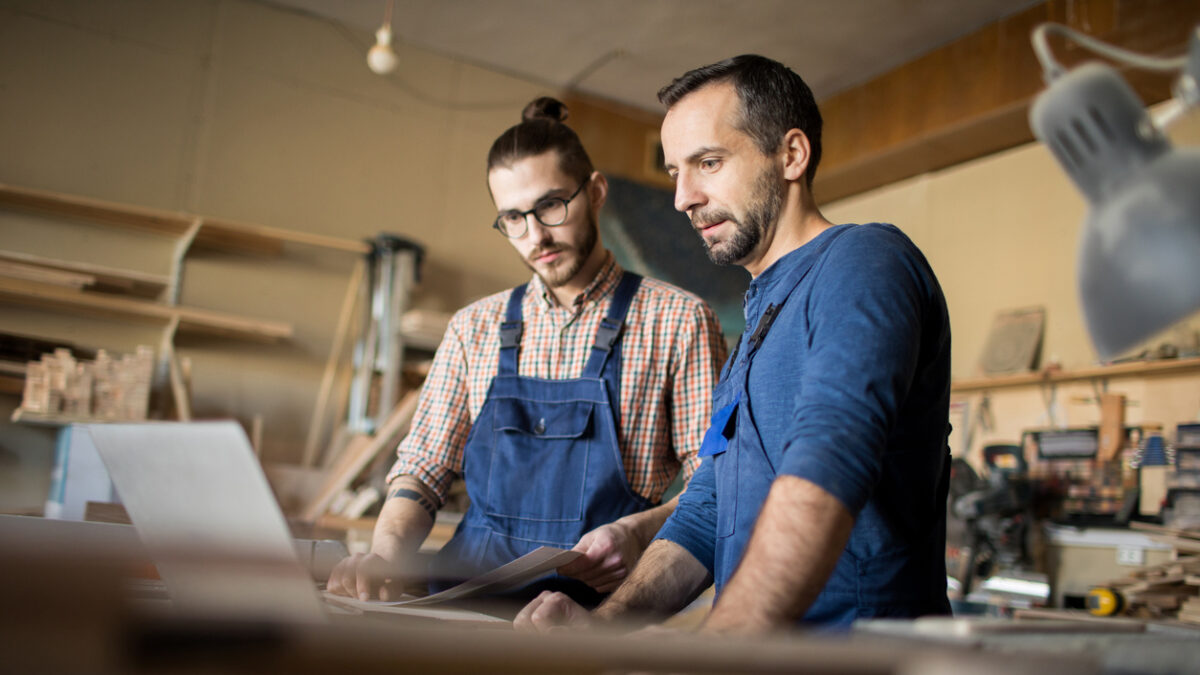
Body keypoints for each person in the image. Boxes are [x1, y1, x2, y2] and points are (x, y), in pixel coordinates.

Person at [514, 55, 952, 633]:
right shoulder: (757, 323)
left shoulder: (863, 262)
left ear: (791, 155)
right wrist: (601, 627)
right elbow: (706, 511)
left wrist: (712, 654)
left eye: (709, 163)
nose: (683, 198)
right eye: (675, 172)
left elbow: (830, 464)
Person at [326, 97, 725, 609]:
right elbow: (424, 469)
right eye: (513, 218)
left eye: (551, 206)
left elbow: (713, 485)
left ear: (596, 192)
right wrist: (384, 554)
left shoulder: (678, 320)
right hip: (461, 602)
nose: (536, 235)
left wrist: (635, 531)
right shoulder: (475, 327)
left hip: (596, 615)